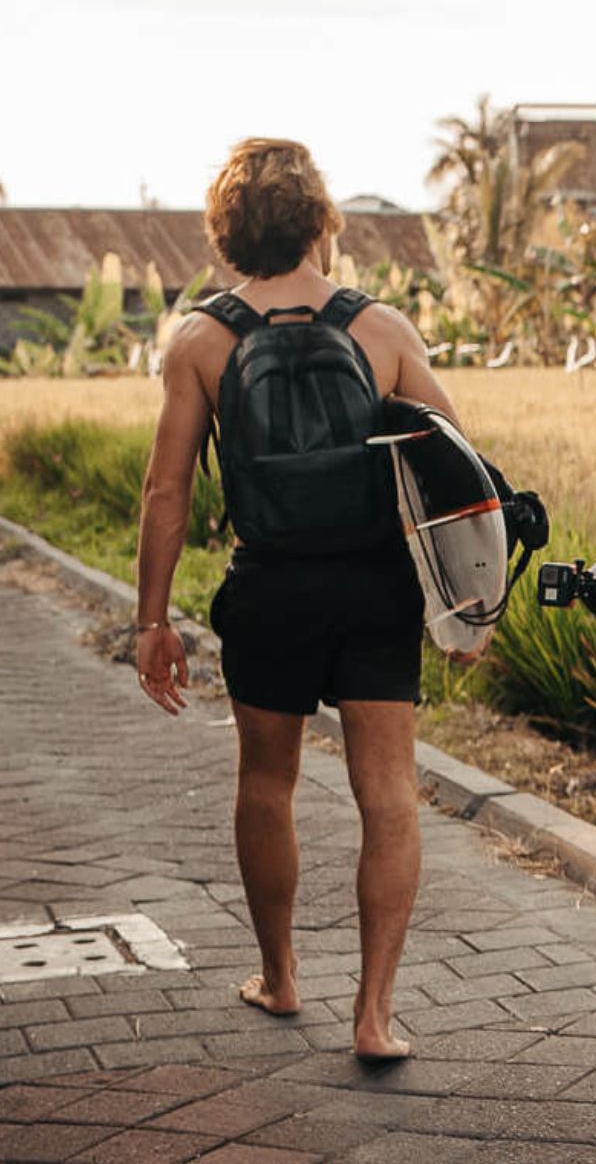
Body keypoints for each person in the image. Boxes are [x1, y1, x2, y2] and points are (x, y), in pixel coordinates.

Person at [134, 138, 468, 1062]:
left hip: (269, 585)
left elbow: (168, 493)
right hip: (374, 588)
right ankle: (374, 1016)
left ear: (228, 233)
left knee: (267, 784)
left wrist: (151, 620)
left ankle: (280, 977)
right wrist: (470, 609)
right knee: (389, 796)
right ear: (322, 222)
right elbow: (457, 475)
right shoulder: (383, 330)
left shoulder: (202, 339)